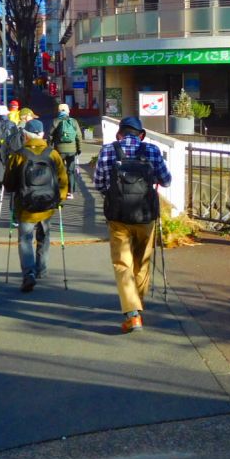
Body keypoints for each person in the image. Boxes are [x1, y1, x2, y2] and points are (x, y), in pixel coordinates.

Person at [93, 116, 172, 334]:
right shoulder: (152, 151)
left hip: (118, 217)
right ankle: (138, 304)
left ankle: (132, 313)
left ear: (119, 134)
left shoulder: (109, 150)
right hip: (145, 216)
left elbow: (99, 182)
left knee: (122, 263)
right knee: (142, 262)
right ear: (141, 135)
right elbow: (166, 180)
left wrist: (115, 195)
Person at [3, 118, 68, 293]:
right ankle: (42, 269)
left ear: (25, 135)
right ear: (42, 135)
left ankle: (29, 273)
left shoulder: (18, 155)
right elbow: (63, 178)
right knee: (44, 236)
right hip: (48, 205)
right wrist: (59, 198)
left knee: (25, 239)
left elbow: (9, 183)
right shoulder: (52, 154)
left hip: (25, 206)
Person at [49, 103, 82, 200]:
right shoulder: (74, 121)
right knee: (70, 171)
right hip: (72, 151)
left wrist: (50, 149)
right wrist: (78, 149)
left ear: (58, 111)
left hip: (59, 150)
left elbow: (50, 135)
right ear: (68, 111)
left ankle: (60, 190)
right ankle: (70, 192)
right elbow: (79, 136)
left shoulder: (55, 121)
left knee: (60, 170)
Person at [0, 104, 18, 184]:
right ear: (6, 114)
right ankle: (10, 183)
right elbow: (16, 138)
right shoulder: (12, 124)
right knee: (10, 166)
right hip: (10, 149)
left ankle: (0, 185)